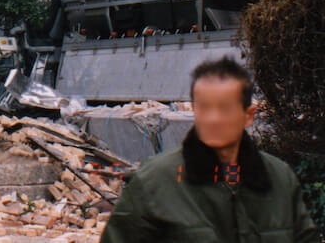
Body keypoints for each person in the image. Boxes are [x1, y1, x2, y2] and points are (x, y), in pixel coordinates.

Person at [101, 56, 318, 242]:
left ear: (248, 115)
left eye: (225, 108)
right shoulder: (155, 181)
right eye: (204, 108)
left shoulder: (279, 179)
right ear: (194, 110)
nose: (213, 119)